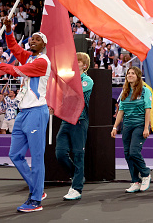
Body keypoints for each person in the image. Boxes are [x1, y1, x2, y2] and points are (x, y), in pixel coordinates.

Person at [0, 18, 52, 212]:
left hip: (36, 111)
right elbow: (13, 46)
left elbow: (16, 70)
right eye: (32, 38)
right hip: (23, 112)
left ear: (44, 45)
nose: (33, 40)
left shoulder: (43, 61)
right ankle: (38, 188)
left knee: (36, 157)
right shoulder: (28, 57)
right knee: (15, 155)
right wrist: (9, 29)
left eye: (37, 39)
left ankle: (36, 200)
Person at [54, 52, 94, 201]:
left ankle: (76, 188)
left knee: (78, 155)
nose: (74, 63)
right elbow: (61, 96)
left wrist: (61, 84)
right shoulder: (68, 80)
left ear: (84, 65)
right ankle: (77, 176)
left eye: (78, 61)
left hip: (79, 120)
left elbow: (74, 94)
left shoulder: (87, 81)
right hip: (66, 121)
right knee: (60, 153)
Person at [111, 67, 152, 193]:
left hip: (139, 125)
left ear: (138, 76)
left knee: (134, 152)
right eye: (128, 73)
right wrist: (114, 126)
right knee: (128, 154)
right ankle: (135, 181)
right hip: (127, 126)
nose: (130, 75)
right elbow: (121, 111)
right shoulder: (125, 92)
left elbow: (148, 110)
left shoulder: (145, 91)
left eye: (132, 73)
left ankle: (146, 174)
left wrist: (146, 127)